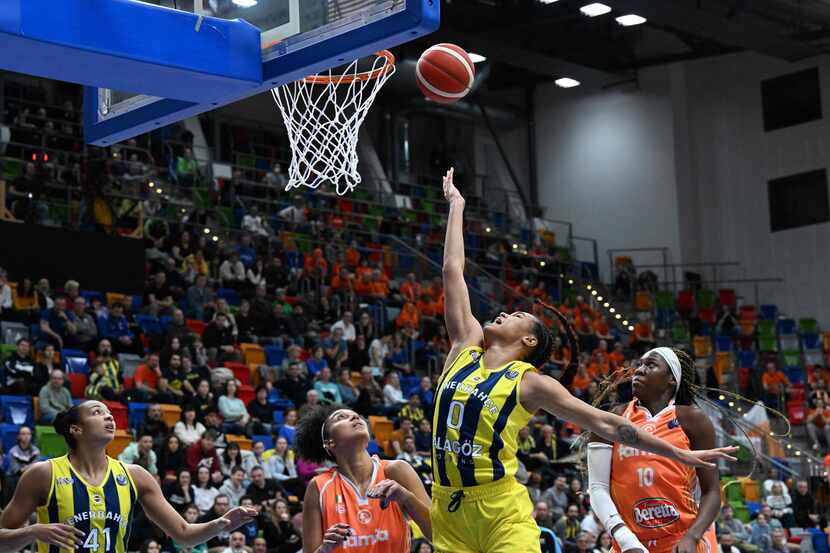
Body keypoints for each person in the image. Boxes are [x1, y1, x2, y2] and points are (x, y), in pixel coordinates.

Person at [431, 169, 735, 553]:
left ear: (529, 340)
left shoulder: (529, 382)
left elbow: (607, 423)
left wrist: (678, 453)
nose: (505, 314)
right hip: (446, 506)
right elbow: (451, 271)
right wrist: (457, 206)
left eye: (518, 316)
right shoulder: (463, 347)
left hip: (498, 508)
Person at [0, 400, 256, 553]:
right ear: (76, 429)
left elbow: (183, 533)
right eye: (97, 412)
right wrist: (32, 532)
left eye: (109, 413)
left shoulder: (135, 476)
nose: (108, 416)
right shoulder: (43, 474)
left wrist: (221, 524)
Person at [587, 347, 721, 553]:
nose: (639, 370)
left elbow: (711, 491)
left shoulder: (692, 419)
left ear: (672, 380)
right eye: (639, 364)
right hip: (629, 543)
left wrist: (692, 536)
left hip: (681, 541)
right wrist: (624, 539)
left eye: (650, 365)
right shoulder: (612, 418)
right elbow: (597, 488)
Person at [296, 404, 431, 553]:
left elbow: (438, 533)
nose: (355, 417)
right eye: (341, 417)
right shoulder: (318, 486)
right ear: (329, 443)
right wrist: (325, 549)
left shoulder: (396, 470)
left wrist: (406, 498)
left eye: (356, 415)